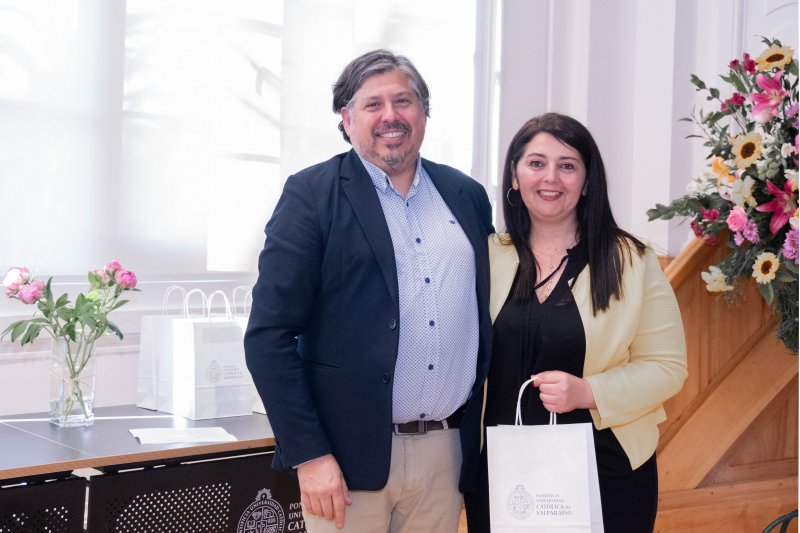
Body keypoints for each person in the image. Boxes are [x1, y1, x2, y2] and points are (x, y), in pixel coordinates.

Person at [244, 49, 494, 533]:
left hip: (446, 453)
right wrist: (309, 454)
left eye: (403, 101)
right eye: (373, 104)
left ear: (423, 111)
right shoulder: (312, 195)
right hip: (344, 459)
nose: (390, 116)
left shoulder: (466, 195)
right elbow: (268, 336)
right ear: (347, 118)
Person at [463, 113, 688, 532]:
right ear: (514, 177)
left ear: (586, 182)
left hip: (606, 472)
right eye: (536, 163)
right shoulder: (484, 256)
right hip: (503, 475)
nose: (551, 177)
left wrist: (589, 392)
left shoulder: (632, 261)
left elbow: (667, 368)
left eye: (567, 165)